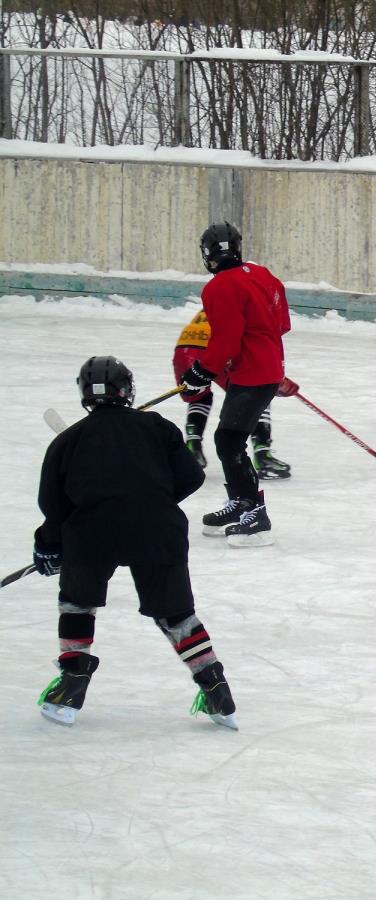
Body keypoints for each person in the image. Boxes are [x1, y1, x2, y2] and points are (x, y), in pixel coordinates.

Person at [32, 356, 237, 730]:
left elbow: (53, 504)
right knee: (176, 613)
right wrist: (151, 500)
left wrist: (48, 545)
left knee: (77, 605)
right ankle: (216, 689)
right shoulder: (157, 428)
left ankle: (72, 684)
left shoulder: (69, 441)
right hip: (159, 532)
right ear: (127, 390)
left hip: (92, 535)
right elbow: (191, 476)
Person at [182, 222, 292, 547]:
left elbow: (226, 341)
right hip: (269, 369)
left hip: (251, 375)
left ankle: (255, 513)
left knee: (229, 441)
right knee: (228, 440)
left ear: (208, 255)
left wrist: (202, 370)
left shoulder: (218, 287)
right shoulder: (263, 275)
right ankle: (243, 503)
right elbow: (283, 323)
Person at [173, 308, 292, 479]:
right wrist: (274, 374)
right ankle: (263, 455)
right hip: (216, 350)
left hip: (185, 347)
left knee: (199, 394)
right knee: (256, 394)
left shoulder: (225, 296)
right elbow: (254, 344)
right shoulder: (254, 305)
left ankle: (193, 445)